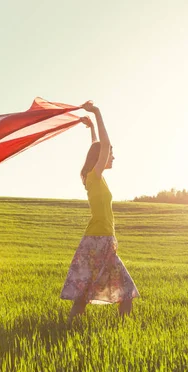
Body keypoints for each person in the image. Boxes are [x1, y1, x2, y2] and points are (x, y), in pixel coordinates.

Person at [60, 101, 140, 324]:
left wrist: (91, 129)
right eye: (110, 154)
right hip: (99, 239)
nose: (112, 157)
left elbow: (97, 146)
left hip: (97, 238)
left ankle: (71, 324)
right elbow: (104, 145)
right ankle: (124, 331)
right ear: (100, 158)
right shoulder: (94, 178)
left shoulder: (95, 178)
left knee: (87, 289)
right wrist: (97, 113)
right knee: (125, 289)